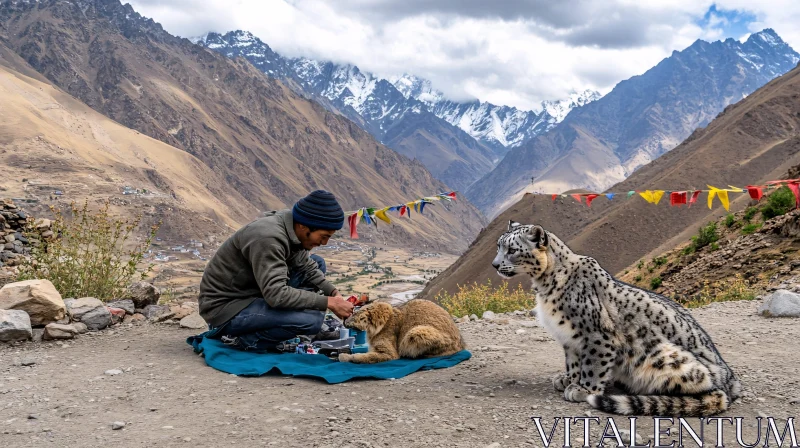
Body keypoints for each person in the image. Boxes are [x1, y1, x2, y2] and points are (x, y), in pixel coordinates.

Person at [198, 190, 354, 352]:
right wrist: (329, 302)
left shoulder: (292, 227)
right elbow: (276, 295)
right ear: (303, 226)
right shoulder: (269, 238)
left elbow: (306, 266)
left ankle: (286, 323)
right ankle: (246, 339)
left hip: (255, 294)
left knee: (317, 263)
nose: (324, 243)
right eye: (323, 236)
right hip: (227, 309)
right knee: (311, 320)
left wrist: (333, 292)